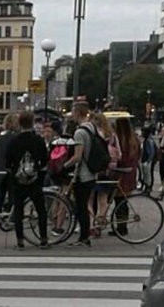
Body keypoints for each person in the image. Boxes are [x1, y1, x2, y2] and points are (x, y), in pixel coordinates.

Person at [7, 111, 49, 250]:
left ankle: (20, 241)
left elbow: (8, 162)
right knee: (40, 209)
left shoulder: (14, 141)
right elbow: (44, 160)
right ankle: (43, 239)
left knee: (18, 210)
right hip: (35, 179)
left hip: (18, 180)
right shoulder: (38, 140)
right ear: (32, 123)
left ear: (19, 123)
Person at [63, 102, 97, 247]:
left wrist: (64, 165)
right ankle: (85, 235)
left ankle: (84, 237)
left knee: (81, 207)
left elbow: (78, 156)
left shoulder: (79, 132)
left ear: (77, 113)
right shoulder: (91, 127)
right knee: (84, 205)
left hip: (82, 174)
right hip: (91, 172)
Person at [111, 117, 140, 237]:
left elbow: (118, 157)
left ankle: (121, 226)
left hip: (120, 172)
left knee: (118, 200)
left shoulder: (119, 140)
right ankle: (122, 226)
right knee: (123, 201)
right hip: (130, 172)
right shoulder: (134, 140)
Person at [0, 113, 18, 211]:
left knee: (1, 193)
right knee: (12, 193)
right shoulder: (14, 137)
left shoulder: (0, 136)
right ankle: (9, 212)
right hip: (9, 169)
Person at [140, 127, 156, 194]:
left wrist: (149, 161)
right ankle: (146, 187)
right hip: (144, 160)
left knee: (148, 175)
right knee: (145, 175)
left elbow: (152, 152)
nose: (142, 133)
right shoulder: (146, 140)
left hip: (147, 160)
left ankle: (148, 188)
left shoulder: (149, 141)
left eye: (143, 132)